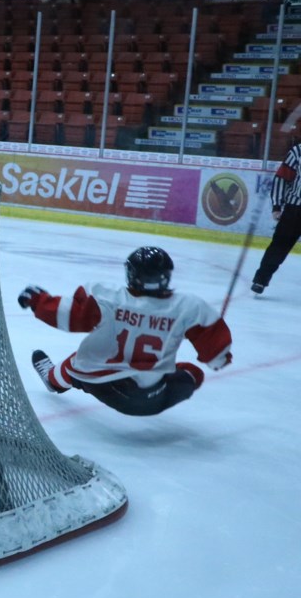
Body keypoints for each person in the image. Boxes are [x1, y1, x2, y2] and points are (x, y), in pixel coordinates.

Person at [18, 246, 233, 416]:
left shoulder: (107, 297)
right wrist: (219, 357)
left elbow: (68, 315)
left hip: (108, 388)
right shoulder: (188, 307)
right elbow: (216, 355)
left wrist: (38, 301)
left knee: (80, 362)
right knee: (191, 372)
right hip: (153, 398)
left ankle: (52, 379)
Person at [251, 140, 301, 295]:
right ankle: (260, 280)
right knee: (279, 246)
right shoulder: (298, 152)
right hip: (295, 210)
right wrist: (277, 206)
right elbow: (281, 178)